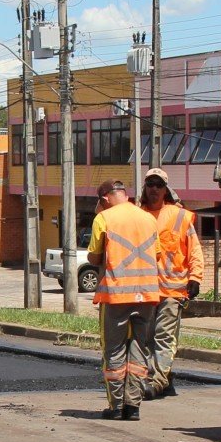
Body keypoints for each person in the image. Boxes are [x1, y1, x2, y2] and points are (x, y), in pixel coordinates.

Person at [87, 179, 160, 421]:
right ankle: (134, 406)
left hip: (117, 294)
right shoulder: (148, 218)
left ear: (105, 198)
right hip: (147, 295)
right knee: (139, 348)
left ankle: (116, 406)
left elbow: (95, 257)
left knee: (114, 350)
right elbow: (156, 254)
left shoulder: (104, 218)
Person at [139, 168, 201, 399]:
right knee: (146, 338)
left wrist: (195, 277)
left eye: (158, 185)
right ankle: (165, 379)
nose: (154, 189)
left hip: (173, 289)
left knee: (163, 336)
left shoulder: (179, 216)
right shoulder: (138, 216)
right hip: (145, 289)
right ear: (145, 187)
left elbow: (194, 249)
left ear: (165, 189)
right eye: (150, 184)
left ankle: (156, 382)